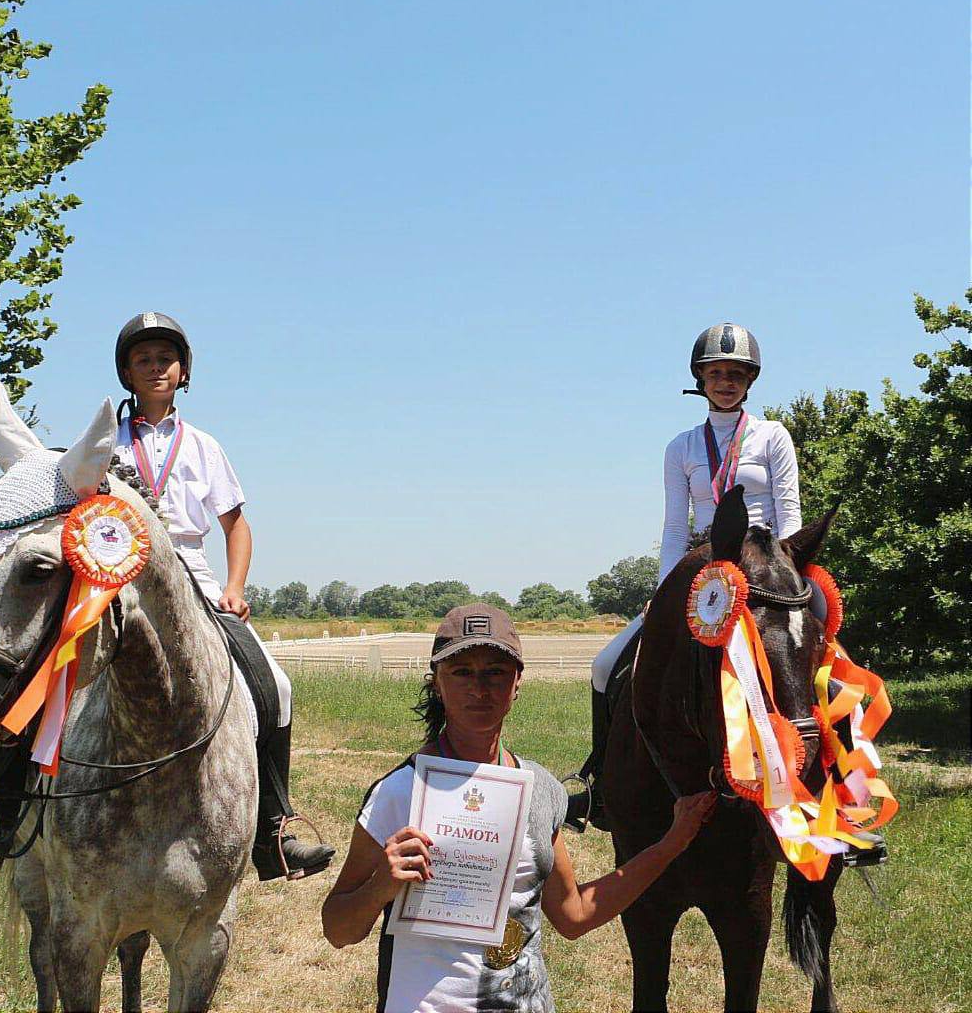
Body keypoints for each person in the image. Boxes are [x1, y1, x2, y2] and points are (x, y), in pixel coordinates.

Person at [322, 603, 715, 1013]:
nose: (480, 688)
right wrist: (381, 885)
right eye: (461, 672)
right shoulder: (400, 791)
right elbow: (337, 929)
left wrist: (669, 845)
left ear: (517, 682)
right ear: (436, 682)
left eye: (496, 671)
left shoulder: (539, 788)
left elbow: (574, 915)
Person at [111, 311, 334, 882]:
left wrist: (234, 588)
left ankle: (273, 832)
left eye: (165, 358)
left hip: (191, 570)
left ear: (183, 371)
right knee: (48, 662)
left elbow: (236, 525)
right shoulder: (104, 441)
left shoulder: (204, 445)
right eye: (143, 359)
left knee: (275, 686)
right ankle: (4, 814)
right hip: (116, 567)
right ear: (127, 373)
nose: (155, 367)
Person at [570, 322, 799, 832]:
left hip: (766, 567)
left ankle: (835, 785)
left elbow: (790, 514)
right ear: (700, 379)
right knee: (605, 665)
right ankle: (601, 787)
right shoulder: (681, 447)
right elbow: (676, 527)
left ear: (749, 380)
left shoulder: (772, 436)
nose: (725, 381)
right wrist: (663, 592)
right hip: (705, 572)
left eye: (735, 373)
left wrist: (788, 578)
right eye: (716, 373)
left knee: (823, 655)